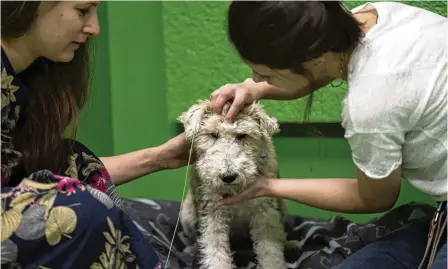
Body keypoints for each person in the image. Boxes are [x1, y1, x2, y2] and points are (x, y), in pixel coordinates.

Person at [210, 1, 447, 269]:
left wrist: (267, 186)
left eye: (264, 73)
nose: (254, 77)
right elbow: (317, 73)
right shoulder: (375, 15)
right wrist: (252, 89)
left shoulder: (371, 102)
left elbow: (376, 197)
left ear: (314, 61)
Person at [1, 1, 191, 268]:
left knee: (74, 158)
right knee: (81, 211)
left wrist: (160, 158)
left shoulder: (26, 80)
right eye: (83, 11)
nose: (95, 28)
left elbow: (34, 170)